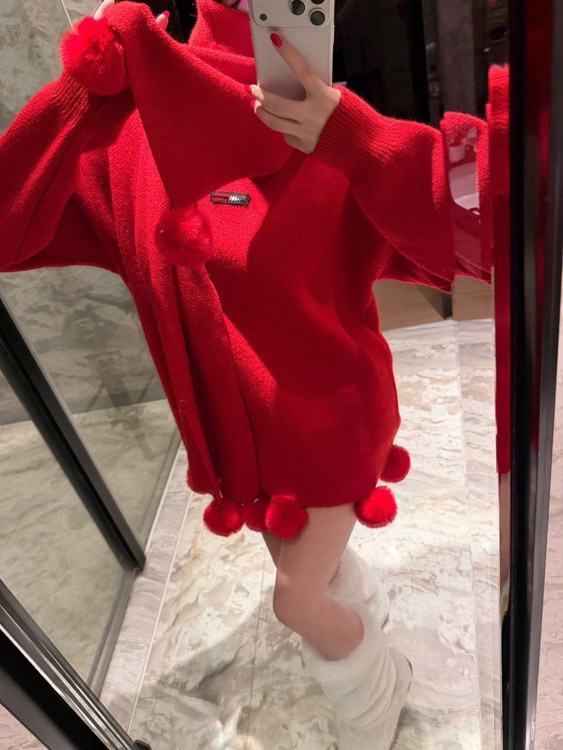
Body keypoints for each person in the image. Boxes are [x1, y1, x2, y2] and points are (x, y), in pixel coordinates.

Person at [0, 0, 508, 747]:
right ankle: (364, 613)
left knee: (295, 602)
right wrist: (82, 93)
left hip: (330, 429)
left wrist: (358, 141)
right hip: (240, 452)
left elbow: (486, 230)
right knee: (313, 576)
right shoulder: (135, 146)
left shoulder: (322, 126)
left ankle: (376, 700)